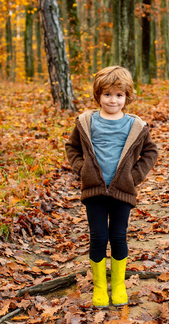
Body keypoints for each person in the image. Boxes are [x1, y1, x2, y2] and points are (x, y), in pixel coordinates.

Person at [65, 66, 158, 307]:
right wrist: (81, 169)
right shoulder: (86, 121)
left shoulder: (135, 125)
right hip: (94, 192)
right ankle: (99, 288)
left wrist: (134, 176)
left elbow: (150, 152)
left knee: (118, 236)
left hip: (122, 192)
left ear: (127, 96)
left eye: (119, 95)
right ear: (98, 96)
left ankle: (117, 285)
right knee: (98, 237)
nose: (113, 100)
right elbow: (72, 148)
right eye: (107, 94)